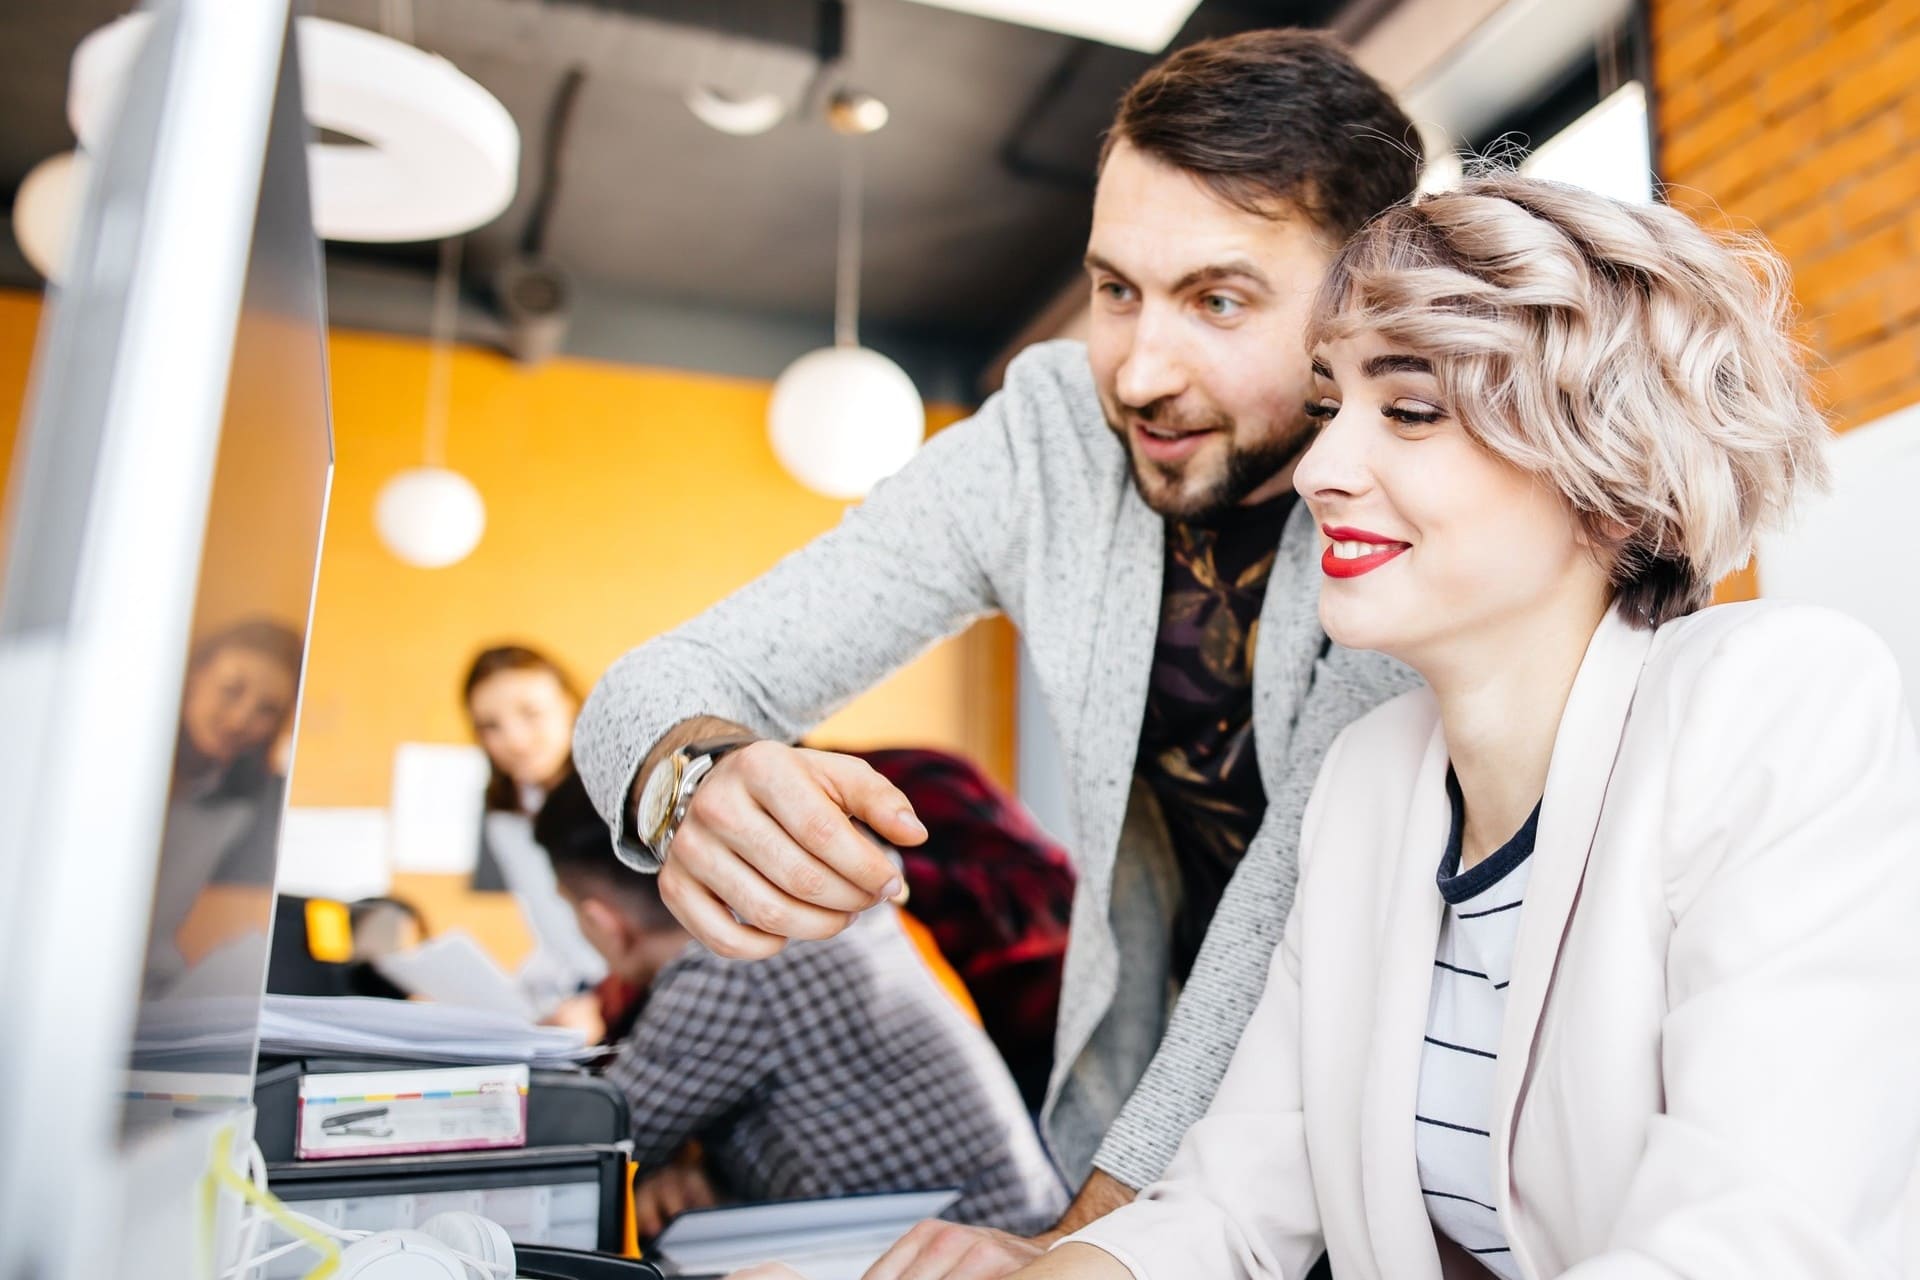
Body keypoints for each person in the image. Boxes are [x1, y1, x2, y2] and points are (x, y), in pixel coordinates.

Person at [573, 30, 1424, 1270]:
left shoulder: (1421, 471)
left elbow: (1287, 911)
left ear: (1364, 299)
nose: (1138, 368)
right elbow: (661, 679)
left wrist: (1080, 1244)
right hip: (1156, 1141)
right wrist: (694, 776)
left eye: (1218, 299)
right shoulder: (1048, 440)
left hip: (1405, 1131)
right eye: (1116, 288)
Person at [968, 175, 1920, 1278]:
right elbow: (1228, 1204)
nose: (1320, 471)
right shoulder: (1370, 777)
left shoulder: (1773, 701)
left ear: (1608, 467)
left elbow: (1745, 1243)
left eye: (1411, 410)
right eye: (1331, 407)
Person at [530, 771, 1067, 1239]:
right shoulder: (798, 915)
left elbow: (570, 1160)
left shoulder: (730, 972)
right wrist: (691, 1164)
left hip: (979, 1259)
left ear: (604, 920)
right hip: (1013, 1227)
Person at [149, 617, 305, 987]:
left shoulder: (245, 802)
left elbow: (233, 927)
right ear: (194, 677)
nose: (240, 720)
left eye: (267, 710)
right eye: (231, 690)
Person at [463, 644, 608, 1020]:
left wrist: (604, 999)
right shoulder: (506, 815)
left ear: (571, 705)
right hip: (577, 998)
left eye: (531, 713)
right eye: (490, 726)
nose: (514, 740)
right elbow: (554, 933)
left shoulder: (621, 793)